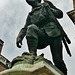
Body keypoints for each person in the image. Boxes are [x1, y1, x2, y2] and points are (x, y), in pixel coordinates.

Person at [16, 0, 68, 74]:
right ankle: (32, 54)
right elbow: (25, 28)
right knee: (31, 28)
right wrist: (19, 37)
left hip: (54, 33)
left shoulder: (46, 4)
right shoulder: (31, 14)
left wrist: (50, 9)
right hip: (42, 35)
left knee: (58, 60)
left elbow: (60, 14)